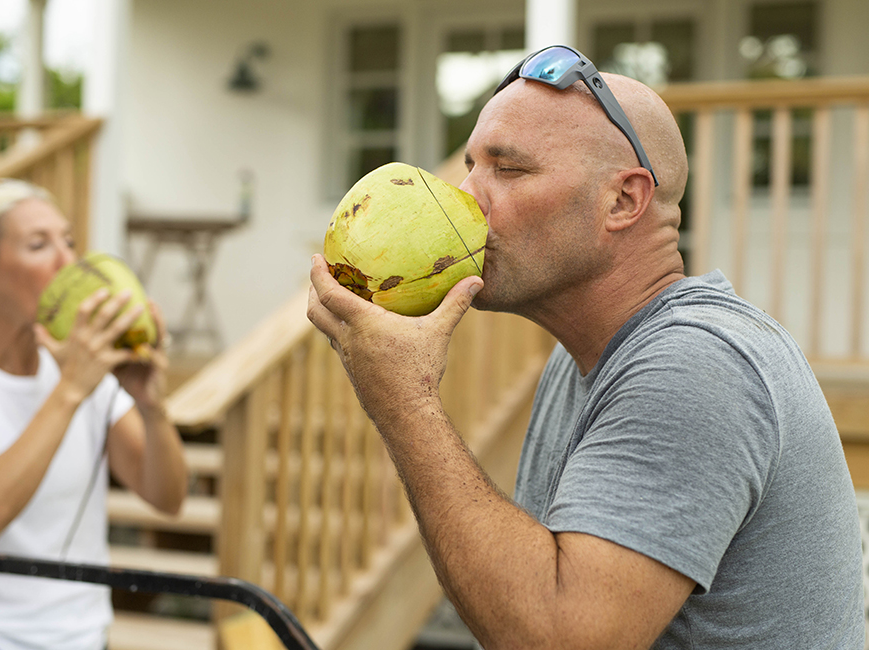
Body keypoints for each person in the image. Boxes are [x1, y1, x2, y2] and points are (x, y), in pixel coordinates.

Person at [307, 45, 865, 648]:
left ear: (623, 201)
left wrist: (407, 405)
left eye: (509, 169)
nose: (465, 198)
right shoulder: (579, 360)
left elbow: (562, 637)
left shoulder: (696, 367)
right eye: (469, 166)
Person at [0, 179, 188, 650]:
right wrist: (70, 388)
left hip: (87, 637)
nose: (66, 261)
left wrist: (152, 409)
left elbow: (167, 497)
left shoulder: (85, 374)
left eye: (68, 242)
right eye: (38, 245)